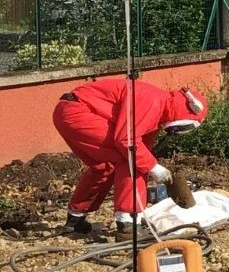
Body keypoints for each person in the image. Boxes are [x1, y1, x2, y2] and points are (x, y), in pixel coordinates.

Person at [53, 80, 208, 238]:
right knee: (128, 158)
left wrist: (151, 165)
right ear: (189, 109)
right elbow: (128, 144)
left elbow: (143, 150)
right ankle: (129, 223)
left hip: (67, 112)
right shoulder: (153, 100)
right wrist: (153, 167)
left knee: (105, 166)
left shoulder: (157, 108)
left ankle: (75, 219)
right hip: (80, 113)